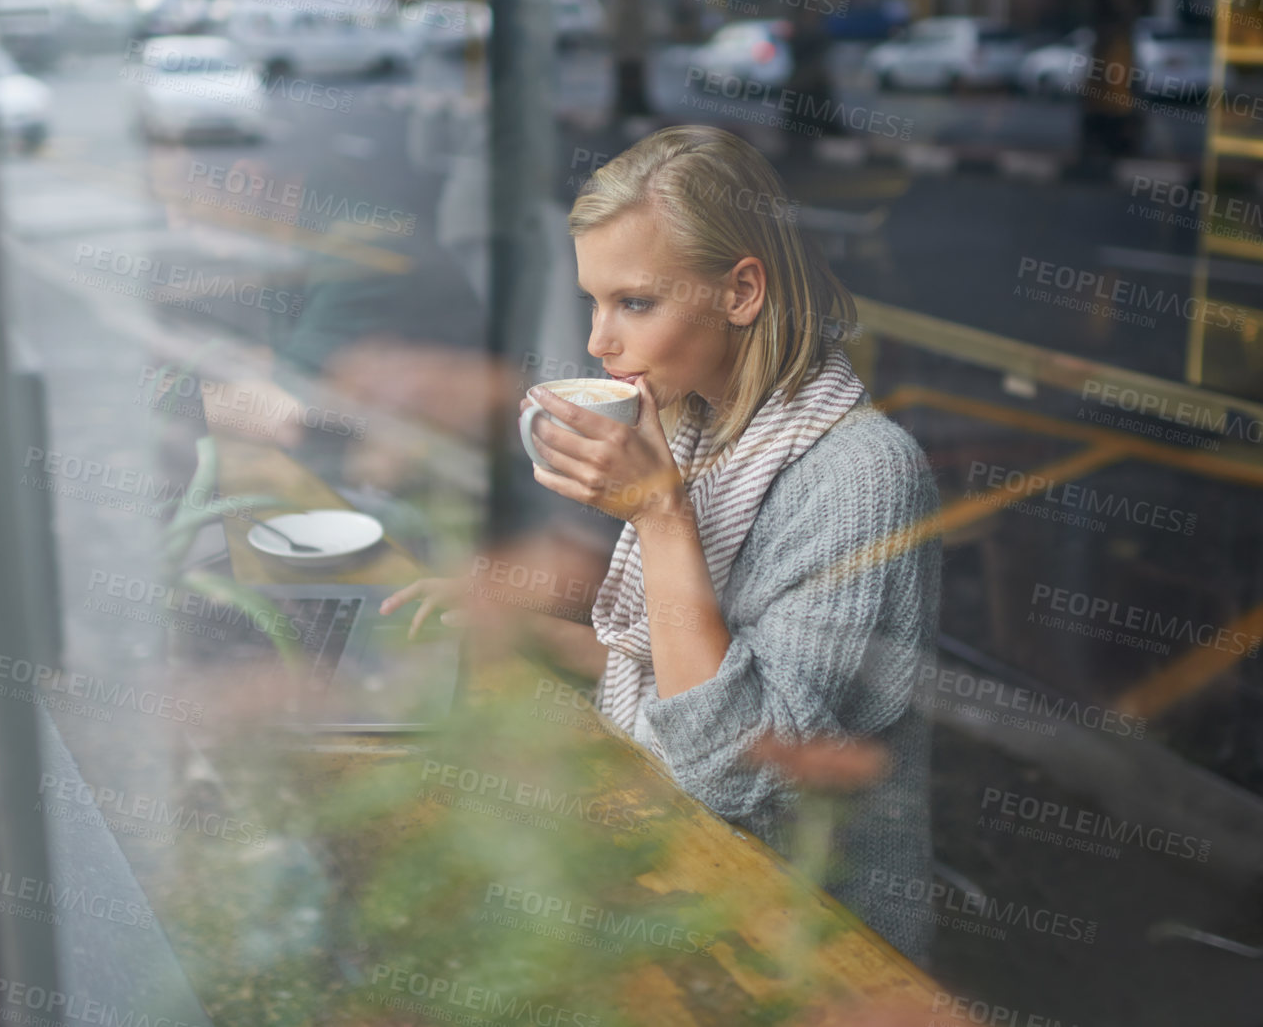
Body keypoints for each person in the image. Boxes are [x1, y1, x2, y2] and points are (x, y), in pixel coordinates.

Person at [385, 124, 942, 963]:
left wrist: (659, 517)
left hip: (811, 947)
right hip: (693, 882)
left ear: (741, 291)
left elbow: (742, 770)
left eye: (634, 303)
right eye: (595, 302)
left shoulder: (862, 475)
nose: (598, 343)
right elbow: (667, 675)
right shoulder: (701, 426)